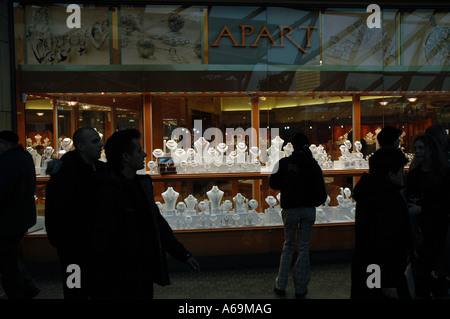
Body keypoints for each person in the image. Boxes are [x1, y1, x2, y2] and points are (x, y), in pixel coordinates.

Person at [89, 129, 199, 299]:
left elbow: (157, 224)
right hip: (120, 275)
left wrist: (182, 254)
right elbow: (103, 240)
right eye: (139, 151)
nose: (145, 154)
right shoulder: (107, 193)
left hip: (143, 270)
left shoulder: (141, 186)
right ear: (126, 157)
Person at [44, 127, 107, 299]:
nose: (100, 144)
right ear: (81, 146)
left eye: (99, 140)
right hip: (73, 249)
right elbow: (54, 213)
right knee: (75, 290)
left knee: (97, 289)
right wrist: (63, 243)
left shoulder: (102, 171)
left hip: (98, 248)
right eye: (94, 141)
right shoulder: (64, 177)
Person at [269, 132, 328, 298]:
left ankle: (281, 284)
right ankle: (301, 287)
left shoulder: (285, 163)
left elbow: (273, 183)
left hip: (290, 210)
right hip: (308, 210)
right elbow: (322, 191)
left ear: (292, 146)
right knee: (303, 248)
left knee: (288, 246)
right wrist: (312, 202)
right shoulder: (313, 164)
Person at [351, 148, 412, 299]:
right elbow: (378, 245)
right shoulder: (384, 200)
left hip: (375, 272)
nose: (403, 175)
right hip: (382, 275)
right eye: (400, 171)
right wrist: (384, 283)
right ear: (390, 175)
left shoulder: (371, 193)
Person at [405, 134, 450, 298]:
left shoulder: (443, 174)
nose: (417, 151)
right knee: (420, 270)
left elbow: (444, 203)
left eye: (421, 148)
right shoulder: (415, 174)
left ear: (431, 150)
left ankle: (439, 289)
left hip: (436, 228)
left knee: (424, 269)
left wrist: (422, 208)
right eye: (415, 148)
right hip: (418, 228)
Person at [0, 130, 40, 299]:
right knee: (12, 254)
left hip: (9, 217)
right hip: (20, 216)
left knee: (8, 259)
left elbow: (3, 190)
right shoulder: (23, 157)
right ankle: (26, 286)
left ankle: (20, 290)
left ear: (5, 144)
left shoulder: (9, 161)